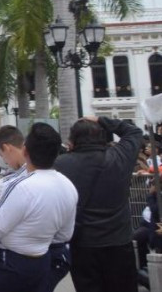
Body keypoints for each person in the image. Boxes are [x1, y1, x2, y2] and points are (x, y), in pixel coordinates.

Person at [0, 123, 77, 292]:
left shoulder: (20, 187)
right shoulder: (68, 186)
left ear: (25, 151)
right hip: (43, 262)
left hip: (12, 264)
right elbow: (65, 234)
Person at [54, 115, 143, 292]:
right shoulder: (120, 157)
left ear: (72, 141)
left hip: (83, 244)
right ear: (102, 136)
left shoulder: (61, 165)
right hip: (118, 242)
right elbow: (134, 131)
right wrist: (102, 120)